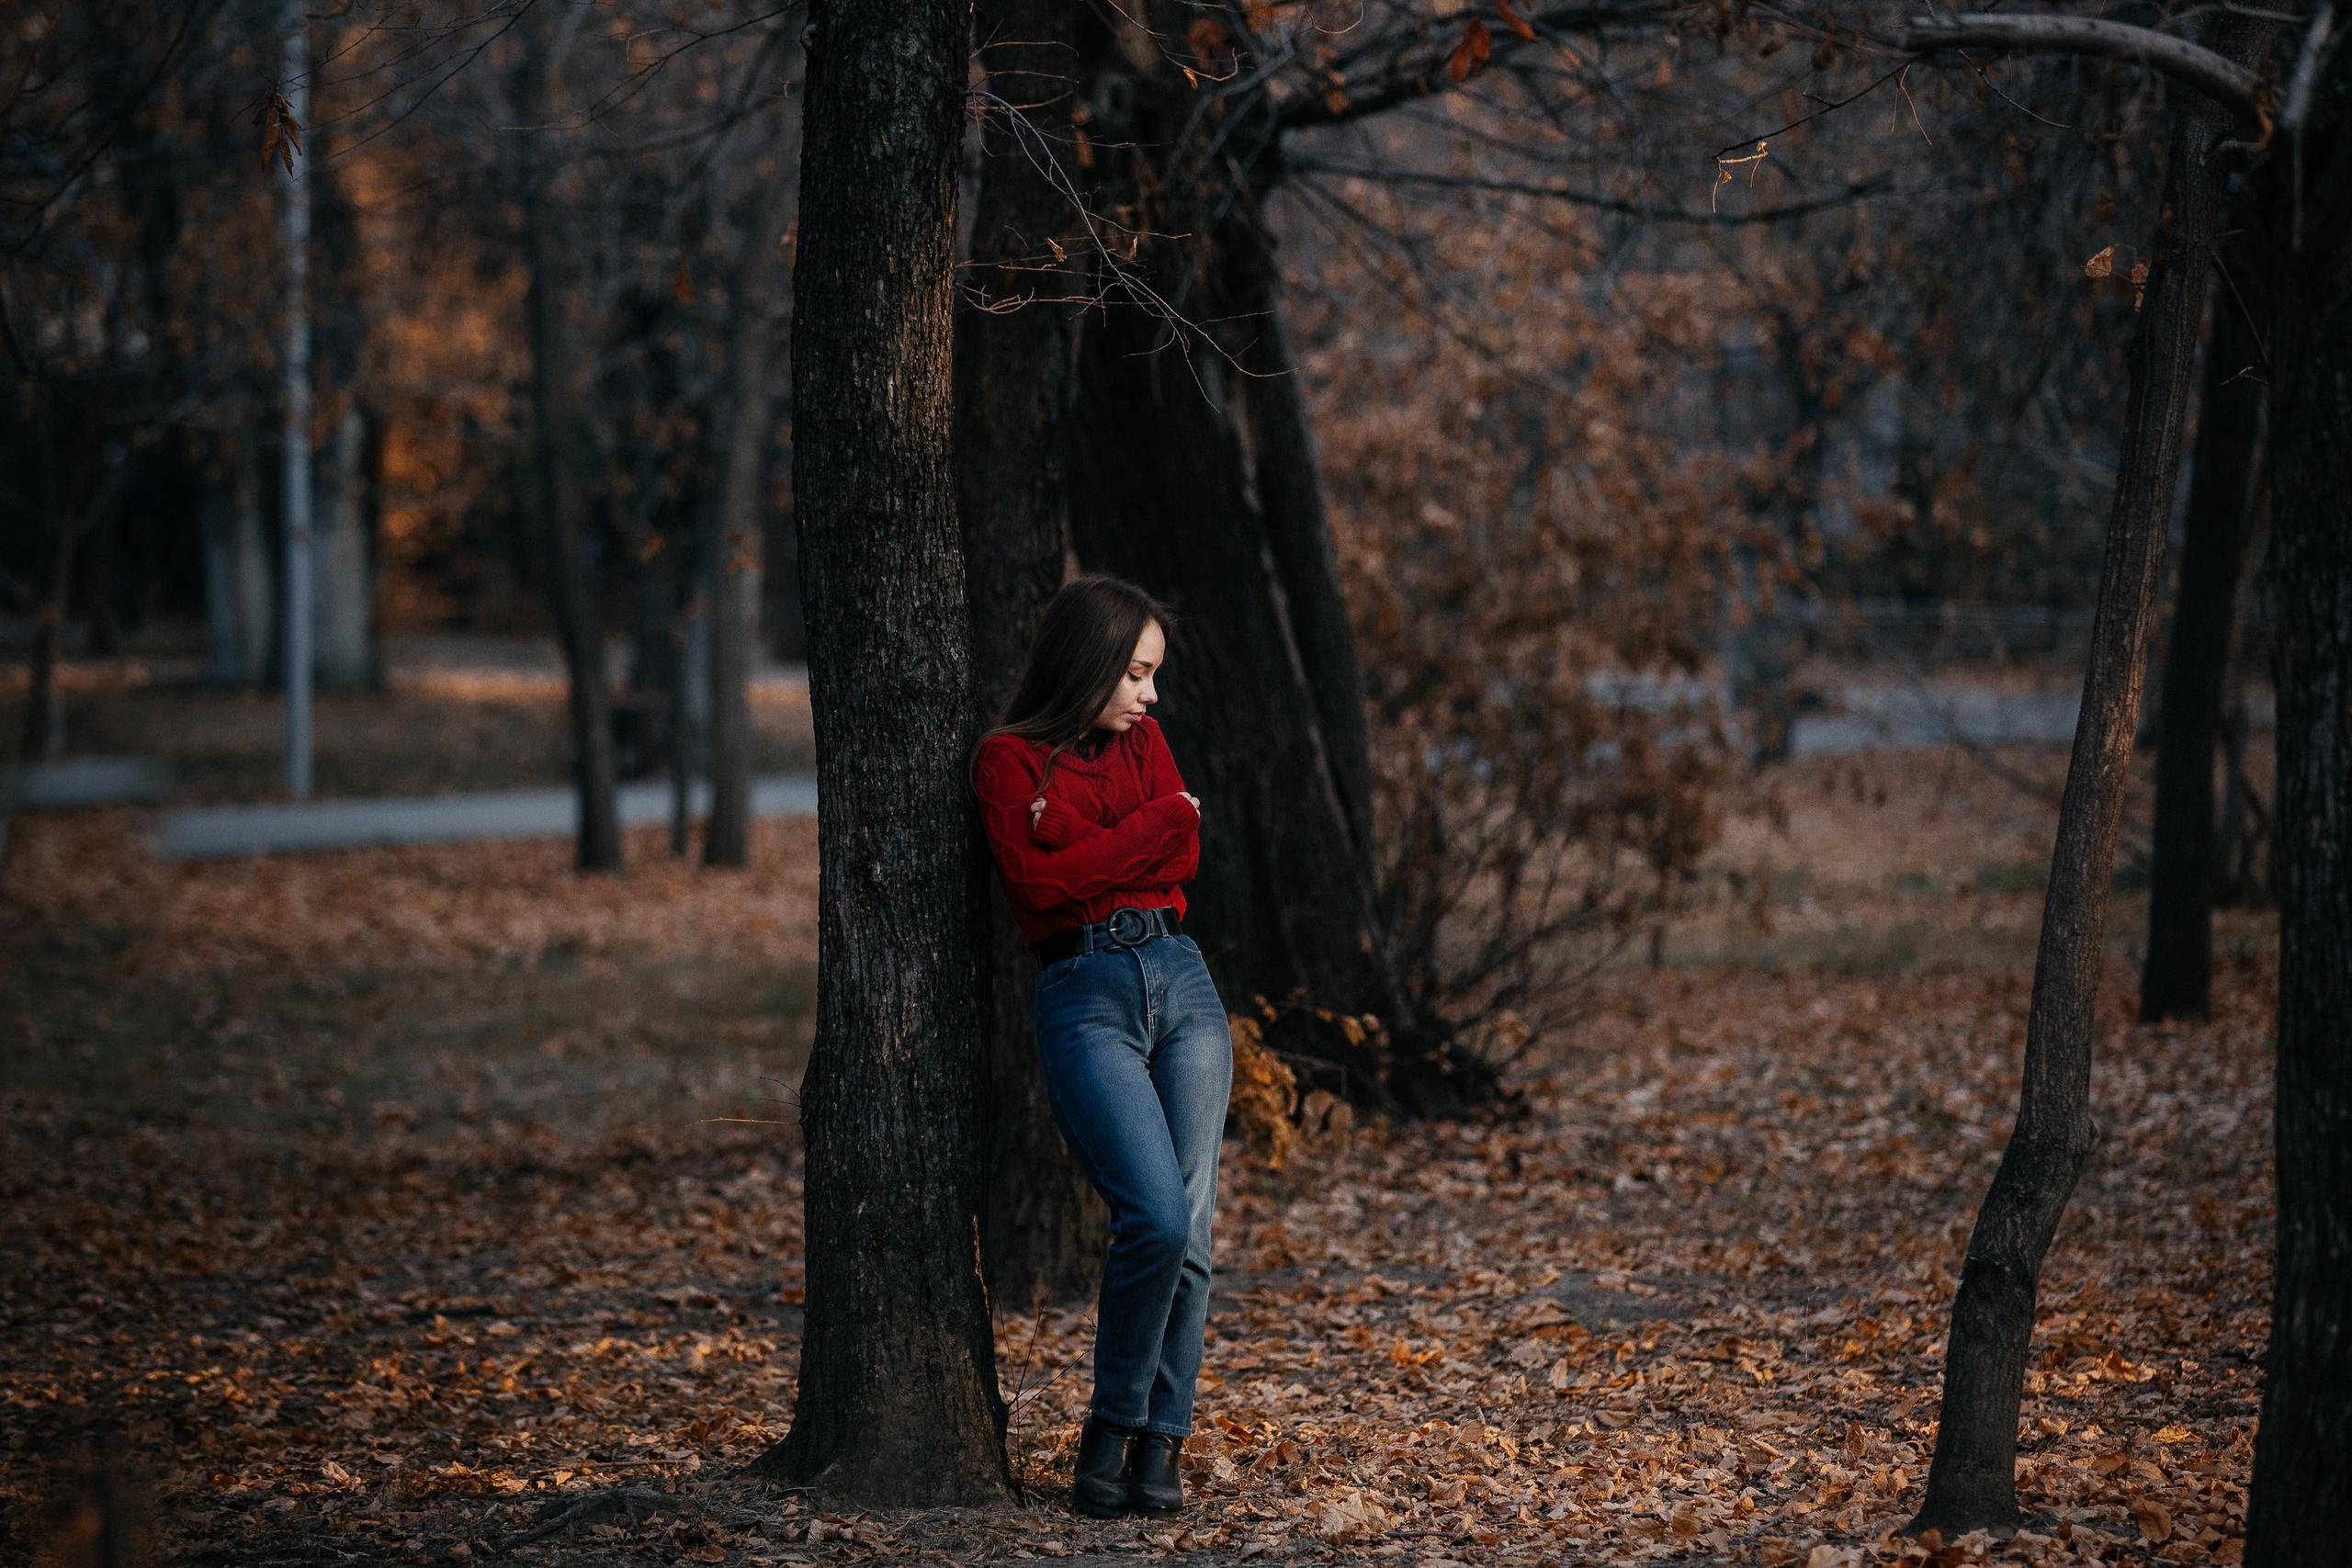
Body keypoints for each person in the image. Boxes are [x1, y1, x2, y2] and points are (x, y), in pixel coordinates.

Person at [967, 574, 1232, 1520]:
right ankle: (1111, 1426)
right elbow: (1041, 893)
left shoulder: (1144, 741)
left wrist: (1101, 841)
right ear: (1085, 665)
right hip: (1085, 994)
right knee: (1155, 1217)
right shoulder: (1005, 762)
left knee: (1192, 1235)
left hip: (1183, 982)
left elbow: (1182, 853)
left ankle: (1160, 1445)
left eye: (1152, 676)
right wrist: (1154, 826)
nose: (1149, 698)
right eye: (1134, 674)